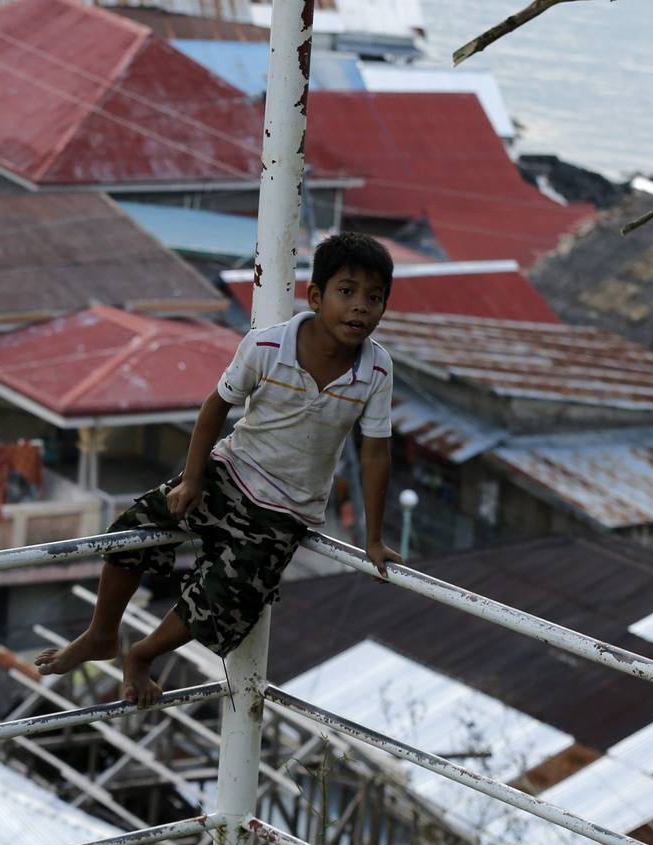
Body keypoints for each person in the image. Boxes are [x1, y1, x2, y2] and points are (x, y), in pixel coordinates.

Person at [36, 233, 402, 705]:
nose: (360, 308)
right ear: (315, 296)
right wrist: (192, 478)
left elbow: (375, 453)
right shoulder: (269, 344)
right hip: (231, 471)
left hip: (287, 511)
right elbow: (216, 406)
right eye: (347, 292)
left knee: (227, 596)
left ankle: (141, 655)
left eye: (374, 298)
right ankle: (101, 634)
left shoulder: (376, 369)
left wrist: (373, 540)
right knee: (134, 527)